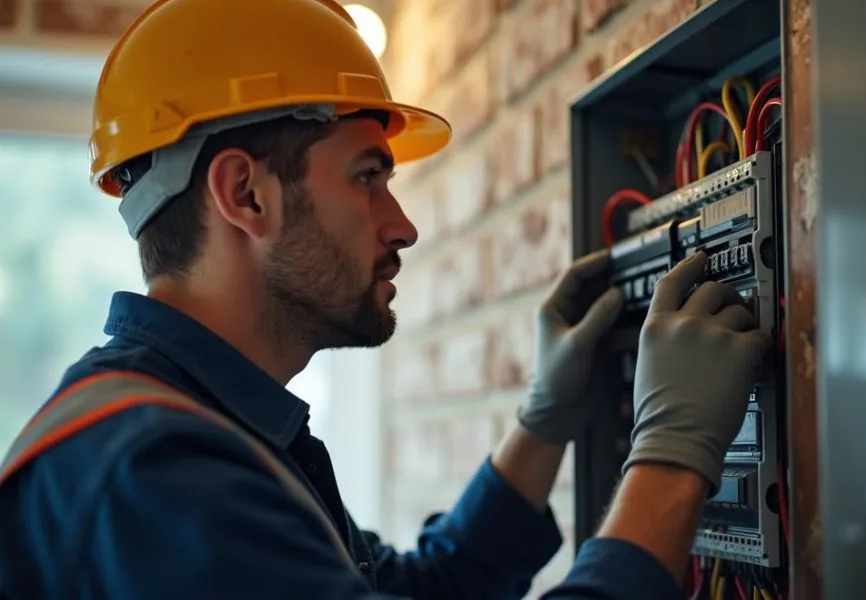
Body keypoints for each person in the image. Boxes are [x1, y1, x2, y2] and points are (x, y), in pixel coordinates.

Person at [0, 0, 770, 598]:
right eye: (369, 177)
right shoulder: (155, 478)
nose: (403, 226)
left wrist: (542, 421)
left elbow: (427, 590)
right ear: (246, 194)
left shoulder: (211, 435)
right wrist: (671, 455)